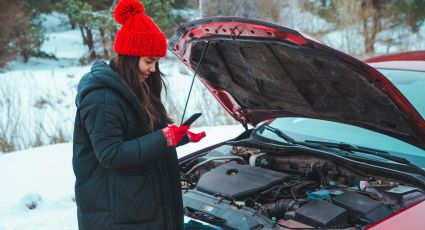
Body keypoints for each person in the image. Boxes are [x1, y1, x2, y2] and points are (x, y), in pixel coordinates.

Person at [72, 0, 206, 229]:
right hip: (116, 215)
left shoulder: (135, 88)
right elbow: (111, 154)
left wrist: (179, 136)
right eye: (149, 61)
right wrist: (164, 138)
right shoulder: (102, 99)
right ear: (130, 57)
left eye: (156, 61)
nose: (153, 69)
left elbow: (143, 138)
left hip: (136, 207)